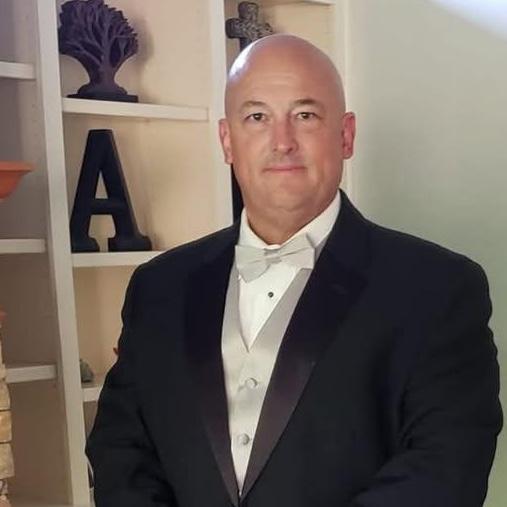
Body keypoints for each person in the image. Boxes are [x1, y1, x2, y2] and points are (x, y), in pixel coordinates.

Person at [86, 34, 502, 507]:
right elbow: (120, 452)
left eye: (305, 115)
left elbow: (444, 472)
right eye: (257, 117)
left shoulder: (439, 289)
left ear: (345, 135)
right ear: (227, 140)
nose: (282, 142)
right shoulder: (158, 286)